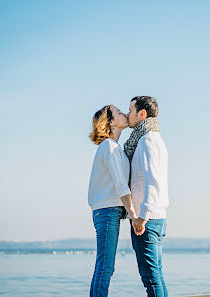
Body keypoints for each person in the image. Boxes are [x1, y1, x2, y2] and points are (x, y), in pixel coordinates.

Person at [87, 104, 143, 297]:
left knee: (104, 266)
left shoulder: (114, 148)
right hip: (107, 211)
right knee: (105, 267)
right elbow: (120, 184)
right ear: (110, 122)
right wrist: (134, 215)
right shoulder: (109, 148)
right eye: (119, 113)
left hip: (108, 211)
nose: (125, 114)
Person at [124, 96, 169, 297]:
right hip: (155, 217)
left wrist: (142, 216)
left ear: (142, 114)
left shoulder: (147, 141)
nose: (127, 114)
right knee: (156, 276)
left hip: (147, 220)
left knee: (151, 278)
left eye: (130, 110)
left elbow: (154, 181)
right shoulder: (153, 139)